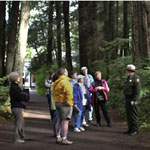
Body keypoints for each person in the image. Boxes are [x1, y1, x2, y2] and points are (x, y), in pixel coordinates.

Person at [52, 67, 74, 145]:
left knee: (59, 120)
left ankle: (58, 137)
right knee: (65, 122)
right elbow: (69, 94)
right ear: (64, 73)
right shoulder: (66, 82)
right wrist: (70, 103)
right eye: (67, 71)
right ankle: (64, 138)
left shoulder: (56, 82)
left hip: (57, 103)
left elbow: (53, 92)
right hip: (65, 104)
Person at [9, 72, 29, 143]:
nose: (19, 78)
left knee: (22, 122)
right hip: (16, 107)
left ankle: (22, 136)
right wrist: (25, 95)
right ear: (15, 79)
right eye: (18, 77)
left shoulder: (15, 86)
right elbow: (19, 97)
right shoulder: (14, 87)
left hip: (17, 106)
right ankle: (17, 138)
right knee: (19, 123)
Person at [123, 64, 141, 136]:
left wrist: (135, 100)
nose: (126, 71)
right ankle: (130, 129)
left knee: (133, 114)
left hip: (133, 99)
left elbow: (137, 90)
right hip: (127, 98)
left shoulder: (136, 78)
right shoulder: (128, 78)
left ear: (129, 70)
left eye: (127, 70)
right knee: (128, 114)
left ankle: (135, 130)